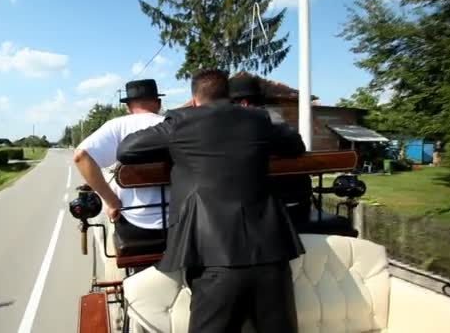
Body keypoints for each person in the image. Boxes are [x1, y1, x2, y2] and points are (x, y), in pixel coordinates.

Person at [117, 69, 305, 333]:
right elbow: (295, 145)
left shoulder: (180, 122)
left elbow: (127, 149)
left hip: (211, 256)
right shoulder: (258, 119)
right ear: (228, 96)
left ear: (194, 100)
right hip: (271, 254)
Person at [73, 79, 169, 241]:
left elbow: (80, 157)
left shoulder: (117, 126)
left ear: (127, 107)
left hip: (135, 224)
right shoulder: (174, 124)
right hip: (181, 222)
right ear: (158, 103)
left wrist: (111, 202)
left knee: (112, 223)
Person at [229, 71, 314, 230]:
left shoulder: (259, 125)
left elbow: (293, 144)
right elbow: (296, 145)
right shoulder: (275, 119)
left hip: (278, 211)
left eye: (230, 105)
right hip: (297, 203)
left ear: (243, 104)